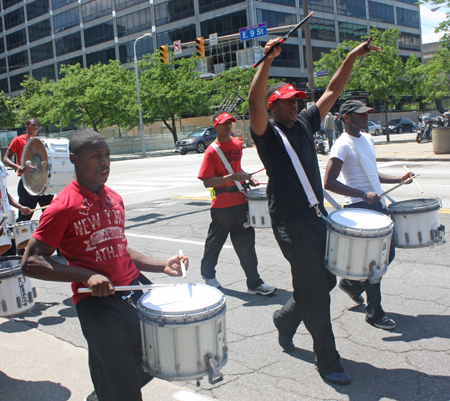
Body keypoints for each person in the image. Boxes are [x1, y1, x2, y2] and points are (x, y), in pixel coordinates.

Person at [248, 37, 381, 385]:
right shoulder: (267, 133)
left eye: (298, 101)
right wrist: (267, 61)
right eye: (289, 102)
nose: (297, 106)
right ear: (274, 105)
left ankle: (286, 318)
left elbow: (334, 89)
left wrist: (352, 55)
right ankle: (329, 361)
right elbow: (253, 103)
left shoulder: (306, 122)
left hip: (316, 217)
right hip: (290, 225)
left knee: (325, 279)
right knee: (317, 295)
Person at [21, 129, 189, 401]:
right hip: (97, 301)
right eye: (96, 156)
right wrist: (85, 276)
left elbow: (117, 246)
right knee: (122, 383)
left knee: (161, 355)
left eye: (108, 155)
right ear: (74, 159)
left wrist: (162, 265)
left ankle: (106, 391)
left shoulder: (114, 198)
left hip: (132, 288)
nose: (105, 162)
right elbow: (31, 263)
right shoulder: (61, 207)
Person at [323, 100, 414, 330]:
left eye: (367, 113)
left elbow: (372, 173)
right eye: (361, 114)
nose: (366, 117)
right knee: (374, 263)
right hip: (358, 208)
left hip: (377, 206)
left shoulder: (368, 139)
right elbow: (329, 182)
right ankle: (374, 312)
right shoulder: (341, 145)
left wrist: (399, 179)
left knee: (387, 254)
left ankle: (352, 284)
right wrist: (362, 193)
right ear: (346, 118)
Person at [198, 111, 276, 296]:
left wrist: (247, 178)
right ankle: (207, 276)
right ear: (215, 126)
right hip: (222, 206)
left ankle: (254, 283)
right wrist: (232, 177)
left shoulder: (237, 144)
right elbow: (207, 181)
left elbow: (236, 168)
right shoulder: (211, 151)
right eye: (224, 123)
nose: (228, 126)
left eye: (230, 123)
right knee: (214, 243)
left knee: (247, 245)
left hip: (241, 202)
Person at [3, 118, 53, 223]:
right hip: (27, 184)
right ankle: (19, 239)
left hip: (43, 183)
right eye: (32, 125)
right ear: (26, 127)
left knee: (50, 215)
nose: (35, 127)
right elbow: (6, 158)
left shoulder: (42, 141)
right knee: (24, 216)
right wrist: (17, 166)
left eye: (37, 125)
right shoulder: (18, 140)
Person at [0, 161, 32, 255]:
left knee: (11, 254)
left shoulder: (1, 166)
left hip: (7, 217)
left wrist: (20, 207)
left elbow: (4, 193)